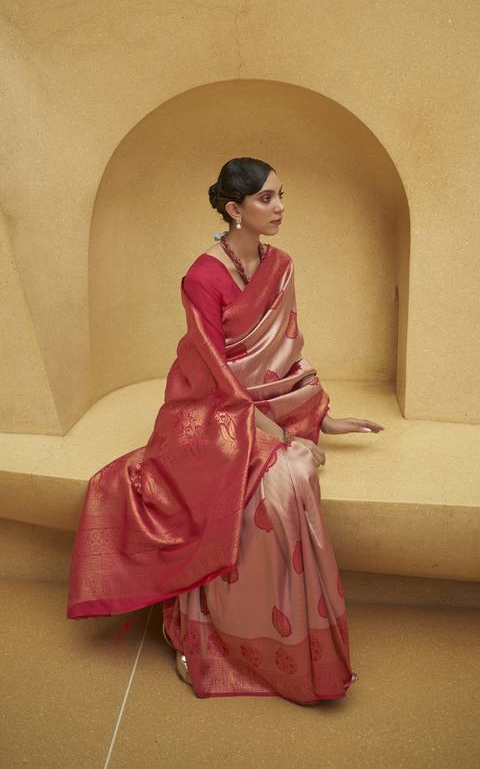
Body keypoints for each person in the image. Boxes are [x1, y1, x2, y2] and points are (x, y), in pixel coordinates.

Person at [67, 156, 384, 704]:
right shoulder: (202, 277)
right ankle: (203, 633)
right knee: (272, 480)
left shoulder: (280, 266)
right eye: (266, 198)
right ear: (235, 209)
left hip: (264, 406)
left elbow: (287, 352)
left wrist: (320, 414)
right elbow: (217, 374)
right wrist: (280, 435)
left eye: (282, 195)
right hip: (210, 411)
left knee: (292, 478)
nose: (279, 208)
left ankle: (289, 644)